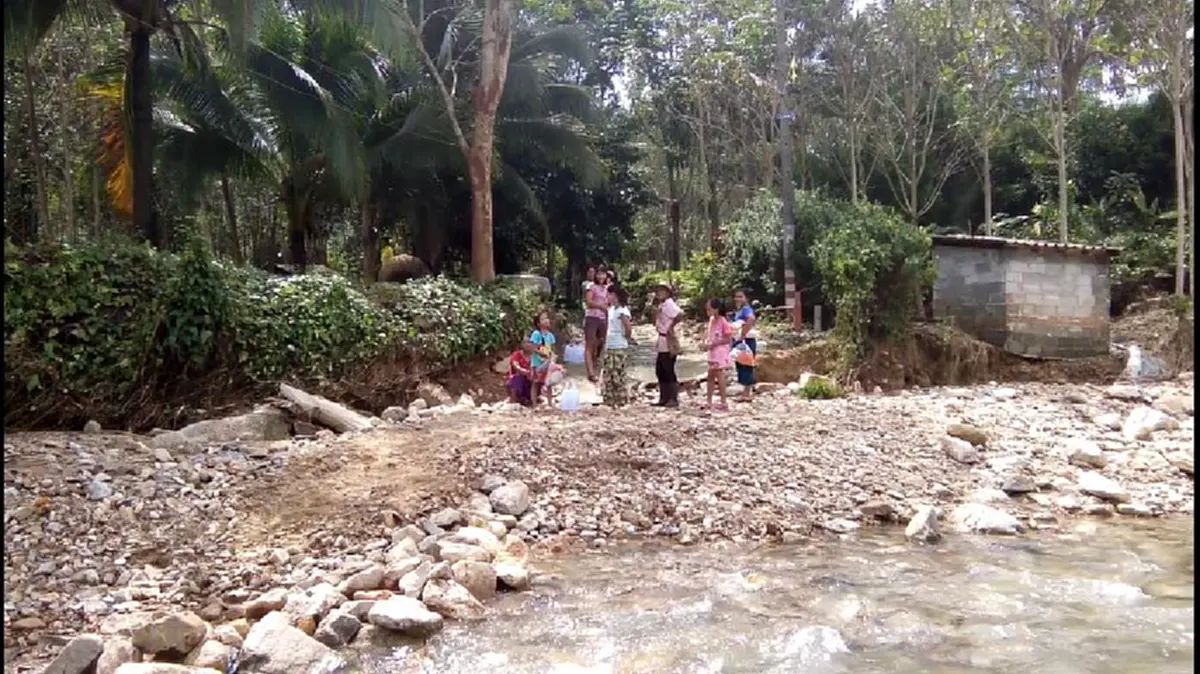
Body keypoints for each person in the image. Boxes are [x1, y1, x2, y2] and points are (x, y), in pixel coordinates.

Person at [652, 282, 684, 408]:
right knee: (660, 369)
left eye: (662, 291)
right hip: (662, 338)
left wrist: (671, 326)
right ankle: (664, 397)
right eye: (658, 291)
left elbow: (679, 314)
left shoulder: (669, 304)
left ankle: (672, 398)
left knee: (668, 368)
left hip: (667, 339)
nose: (659, 293)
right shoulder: (662, 305)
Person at [602, 285, 634, 407]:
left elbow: (627, 327)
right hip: (610, 344)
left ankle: (620, 399)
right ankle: (610, 399)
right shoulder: (611, 310)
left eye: (609, 295)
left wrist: (626, 337)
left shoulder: (622, 310)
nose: (608, 297)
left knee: (617, 372)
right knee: (609, 372)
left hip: (619, 344)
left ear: (615, 296)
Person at [704, 298, 733, 410]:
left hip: (719, 352)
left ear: (716, 309)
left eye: (709, 309)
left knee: (719, 375)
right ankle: (709, 401)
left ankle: (723, 401)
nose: (707, 311)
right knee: (710, 375)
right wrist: (707, 343)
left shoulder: (723, 321)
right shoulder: (712, 320)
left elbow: (728, 339)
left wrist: (714, 343)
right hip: (712, 351)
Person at [731, 289, 759, 401]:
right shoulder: (739, 311)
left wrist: (743, 334)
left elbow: (751, 319)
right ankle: (745, 392)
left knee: (746, 365)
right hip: (741, 341)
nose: (737, 299)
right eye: (736, 296)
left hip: (746, 341)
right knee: (741, 364)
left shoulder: (746, 309)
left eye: (740, 296)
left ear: (746, 298)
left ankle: (747, 394)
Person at [583, 269, 610, 382]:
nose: (601, 276)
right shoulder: (591, 286)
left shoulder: (607, 288)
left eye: (603, 274)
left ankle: (595, 363)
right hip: (592, 317)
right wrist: (601, 306)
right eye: (599, 274)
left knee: (601, 342)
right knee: (590, 344)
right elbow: (588, 302)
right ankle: (591, 372)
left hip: (603, 318)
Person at [529, 310, 557, 406]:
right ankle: (534, 403)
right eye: (543, 319)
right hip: (537, 362)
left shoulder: (550, 336)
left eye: (547, 318)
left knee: (549, 383)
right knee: (535, 383)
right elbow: (533, 347)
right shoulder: (536, 334)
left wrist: (552, 357)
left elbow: (552, 349)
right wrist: (542, 353)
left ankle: (550, 403)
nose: (546, 320)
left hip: (547, 363)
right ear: (538, 323)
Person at [506, 340, 534, 406]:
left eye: (530, 342)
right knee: (517, 378)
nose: (528, 344)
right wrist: (525, 372)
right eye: (526, 342)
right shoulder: (517, 354)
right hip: (519, 379)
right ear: (521, 345)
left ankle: (533, 400)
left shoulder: (535, 356)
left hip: (531, 380)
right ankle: (514, 400)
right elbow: (516, 366)